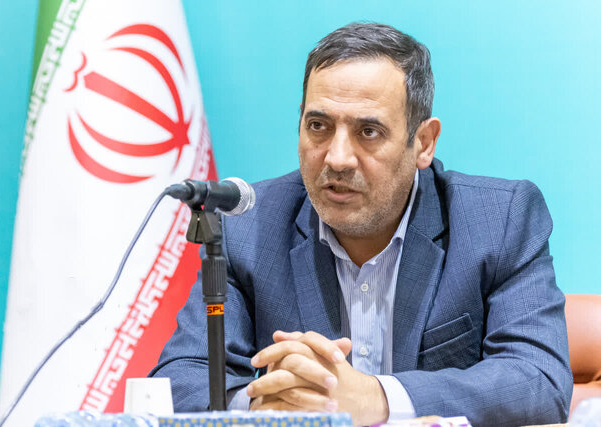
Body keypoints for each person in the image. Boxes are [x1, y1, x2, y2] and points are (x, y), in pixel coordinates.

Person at [150, 22, 572, 426]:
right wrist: (266, 404)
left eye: (368, 131)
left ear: (423, 143)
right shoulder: (249, 227)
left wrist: (376, 398)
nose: (337, 158)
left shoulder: (498, 221)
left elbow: (539, 378)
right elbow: (177, 381)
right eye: (318, 126)